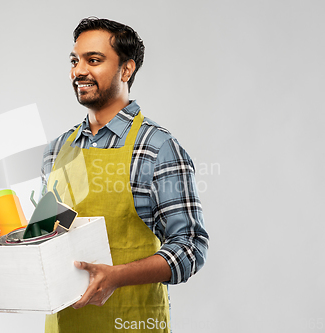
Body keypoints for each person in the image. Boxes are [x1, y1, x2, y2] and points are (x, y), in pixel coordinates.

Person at [41, 17, 209, 332]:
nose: (79, 70)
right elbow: (42, 239)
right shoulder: (56, 151)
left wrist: (118, 276)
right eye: (75, 61)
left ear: (126, 70)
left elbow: (190, 247)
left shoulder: (157, 147)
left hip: (131, 323)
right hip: (63, 325)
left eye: (94, 60)